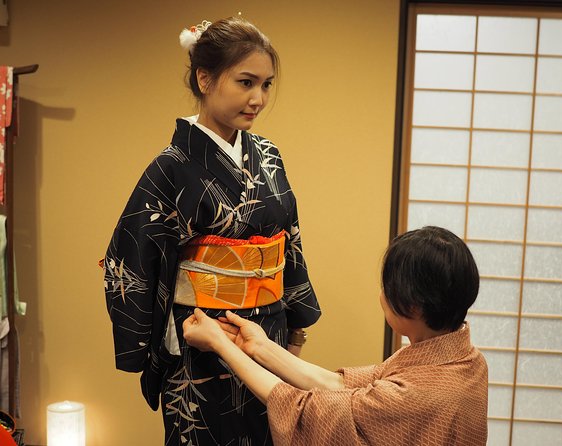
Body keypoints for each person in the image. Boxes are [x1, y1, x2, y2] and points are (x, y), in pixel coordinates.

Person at [101, 17, 321, 446]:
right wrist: (152, 345)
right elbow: (128, 259)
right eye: (245, 82)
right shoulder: (171, 166)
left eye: (266, 85)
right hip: (203, 340)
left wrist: (296, 326)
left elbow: (289, 240)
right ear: (205, 78)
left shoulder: (269, 154)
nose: (258, 98)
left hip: (267, 336)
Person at [183, 226, 489, 446]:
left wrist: (220, 343)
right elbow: (340, 385)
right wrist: (258, 345)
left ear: (410, 305)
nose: (382, 294)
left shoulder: (416, 396)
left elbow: (302, 408)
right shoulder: (466, 360)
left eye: (388, 287)